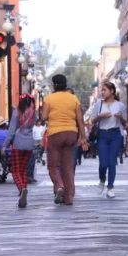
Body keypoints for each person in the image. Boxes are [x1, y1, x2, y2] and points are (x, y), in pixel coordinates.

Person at [40, 74, 88, 205]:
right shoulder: (74, 98)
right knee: (68, 166)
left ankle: (59, 186)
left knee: (53, 166)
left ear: (54, 85)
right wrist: (83, 137)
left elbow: (44, 117)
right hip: (71, 133)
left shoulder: (49, 98)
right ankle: (69, 197)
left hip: (55, 133)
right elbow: (80, 119)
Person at [91, 81, 127, 198]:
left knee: (112, 162)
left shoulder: (120, 105)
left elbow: (125, 123)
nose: (102, 92)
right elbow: (92, 120)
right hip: (102, 134)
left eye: (104, 90)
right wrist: (100, 116)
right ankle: (102, 179)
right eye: (101, 90)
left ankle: (110, 187)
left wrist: (120, 117)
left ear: (112, 91)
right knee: (103, 163)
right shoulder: (98, 104)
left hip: (115, 134)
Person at [3, 95, 36, 208]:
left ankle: (22, 189)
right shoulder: (33, 113)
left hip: (18, 143)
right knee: (23, 170)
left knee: (15, 171)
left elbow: (11, 131)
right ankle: (24, 193)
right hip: (29, 144)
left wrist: (4, 145)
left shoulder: (16, 113)